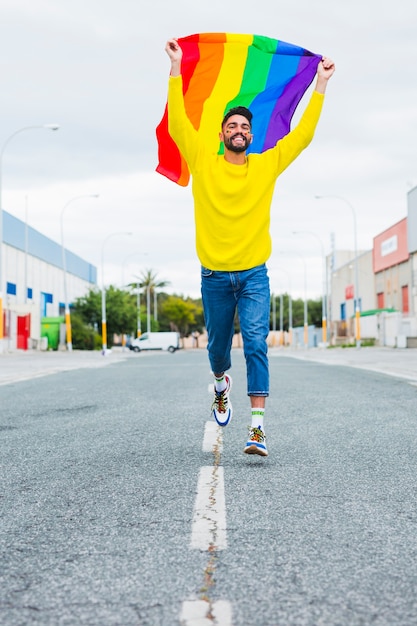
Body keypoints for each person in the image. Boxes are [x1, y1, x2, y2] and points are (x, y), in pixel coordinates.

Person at [164, 38, 335, 457]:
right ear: (222, 134)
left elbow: (305, 135)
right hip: (214, 276)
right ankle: (221, 385)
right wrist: (175, 67)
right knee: (218, 350)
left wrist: (321, 85)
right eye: (231, 126)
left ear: (252, 135)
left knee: (256, 342)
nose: (238, 131)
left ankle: (257, 427)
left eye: (245, 127)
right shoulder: (204, 160)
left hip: (254, 273)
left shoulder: (267, 165)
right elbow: (177, 125)